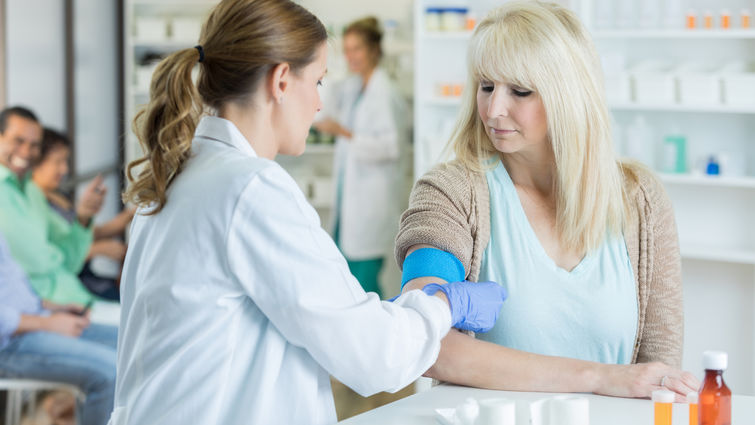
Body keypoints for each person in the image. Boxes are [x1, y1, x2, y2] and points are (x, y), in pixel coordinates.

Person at [110, 1, 506, 424]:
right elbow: (373, 354)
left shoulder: (177, 178)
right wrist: (445, 304)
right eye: (317, 81)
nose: (319, 104)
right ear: (281, 80)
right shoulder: (250, 189)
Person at [395, 1, 699, 402]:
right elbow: (424, 336)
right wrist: (599, 377)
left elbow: (657, 374)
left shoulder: (639, 199)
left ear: (568, 96)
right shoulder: (451, 192)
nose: (493, 109)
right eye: (486, 86)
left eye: (519, 91)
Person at [314, 17, 407, 298]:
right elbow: (322, 111)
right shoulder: (354, 88)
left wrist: (343, 131)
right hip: (351, 198)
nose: (351, 56)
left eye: (357, 49)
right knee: (349, 279)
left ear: (373, 50)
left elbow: (390, 147)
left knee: (364, 284)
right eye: (347, 49)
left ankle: (376, 336)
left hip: (371, 204)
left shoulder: (385, 93)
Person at [0, 232, 117, 425]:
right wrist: (48, 324)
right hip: (9, 342)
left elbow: (11, 288)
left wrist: (53, 307)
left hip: (35, 319)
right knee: (111, 373)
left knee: (132, 345)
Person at [0, 106, 106, 305]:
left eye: (34, 145)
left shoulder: (32, 192)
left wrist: (83, 217)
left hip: (76, 299)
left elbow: (69, 262)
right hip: (42, 312)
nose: (26, 152)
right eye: (18, 141)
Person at [32, 128, 134, 301]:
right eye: (58, 162)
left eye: (65, 161)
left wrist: (132, 213)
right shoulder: (33, 203)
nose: (64, 169)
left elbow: (87, 234)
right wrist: (96, 250)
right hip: (70, 284)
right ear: (36, 162)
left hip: (85, 277)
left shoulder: (58, 196)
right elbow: (48, 256)